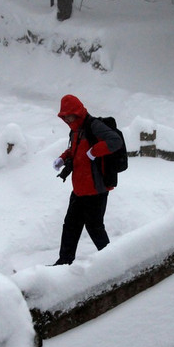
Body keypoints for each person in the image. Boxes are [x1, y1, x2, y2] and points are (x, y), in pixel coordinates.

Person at [52, 94, 123, 265]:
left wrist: (95, 151)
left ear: (77, 112)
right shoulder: (75, 130)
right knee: (70, 226)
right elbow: (75, 151)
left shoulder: (94, 126)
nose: (67, 119)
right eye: (65, 116)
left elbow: (115, 141)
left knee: (95, 228)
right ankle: (64, 263)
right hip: (79, 189)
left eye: (70, 115)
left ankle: (112, 263)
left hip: (96, 190)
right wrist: (62, 158)